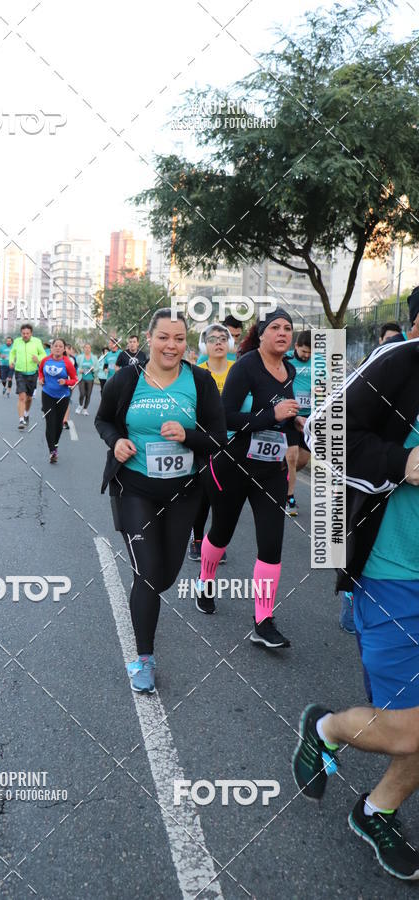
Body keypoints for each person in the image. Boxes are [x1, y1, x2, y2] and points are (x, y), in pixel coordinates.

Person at [292, 294, 419, 881]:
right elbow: (324, 431)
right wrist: (400, 461)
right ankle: (326, 728)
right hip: (395, 572)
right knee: (408, 725)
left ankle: (377, 809)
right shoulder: (400, 363)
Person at [95, 309, 227, 693]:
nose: (172, 345)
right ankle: (144, 658)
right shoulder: (127, 379)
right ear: (149, 338)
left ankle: (149, 605)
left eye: (180, 338)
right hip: (135, 489)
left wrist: (188, 435)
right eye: (164, 337)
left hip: (184, 492)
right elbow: (103, 420)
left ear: (188, 343)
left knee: (166, 576)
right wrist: (116, 442)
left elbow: (219, 436)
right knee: (148, 575)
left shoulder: (199, 381)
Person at [197, 309, 304, 646]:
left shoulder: (291, 371)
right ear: (261, 334)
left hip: (272, 470)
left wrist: (294, 423)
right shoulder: (245, 367)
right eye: (275, 327)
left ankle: (263, 619)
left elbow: (283, 419)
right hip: (234, 465)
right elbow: (225, 417)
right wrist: (270, 414)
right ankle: (205, 581)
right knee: (221, 532)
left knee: (271, 544)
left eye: (288, 328)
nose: (283, 333)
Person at [189, 324, 234, 562]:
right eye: (212, 338)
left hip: (234, 442)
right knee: (204, 492)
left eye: (223, 338)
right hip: (204, 440)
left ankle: (215, 541)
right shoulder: (196, 372)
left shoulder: (238, 370)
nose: (218, 342)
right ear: (204, 345)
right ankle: (197, 539)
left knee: (224, 494)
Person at [284, 330, 312, 516]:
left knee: (301, 461)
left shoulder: (319, 364)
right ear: (296, 347)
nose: (307, 355)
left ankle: (280, 479)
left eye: (310, 352)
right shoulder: (285, 361)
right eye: (304, 351)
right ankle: (289, 499)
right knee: (292, 456)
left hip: (309, 418)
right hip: (289, 414)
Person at [38, 339, 78, 463]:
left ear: (64, 349)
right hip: (47, 394)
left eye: (61, 346)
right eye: (55, 346)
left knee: (58, 424)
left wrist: (65, 382)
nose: (58, 348)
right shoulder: (45, 360)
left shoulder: (67, 363)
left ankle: (55, 445)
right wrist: (41, 379)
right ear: (51, 347)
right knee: (50, 422)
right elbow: (40, 371)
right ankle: (52, 451)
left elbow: (75, 379)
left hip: (62, 396)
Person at [9, 324, 46, 429]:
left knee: (29, 398)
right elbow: (12, 353)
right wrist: (11, 361)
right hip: (19, 372)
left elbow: (43, 354)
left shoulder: (37, 341)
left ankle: (26, 413)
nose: (25, 335)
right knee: (22, 397)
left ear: (31, 333)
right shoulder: (17, 341)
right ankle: (21, 420)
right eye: (23, 333)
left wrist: (38, 358)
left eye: (27, 333)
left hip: (33, 372)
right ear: (21, 333)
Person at [75, 343, 98, 415]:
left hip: (90, 378)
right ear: (83, 349)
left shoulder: (94, 358)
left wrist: (93, 369)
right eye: (86, 347)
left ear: (90, 349)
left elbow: (97, 367)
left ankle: (85, 409)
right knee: (82, 394)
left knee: (88, 394)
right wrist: (79, 370)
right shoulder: (79, 357)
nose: (87, 349)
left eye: (89, 348)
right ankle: (80, 406)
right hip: (82, 378)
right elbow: (76, 367)